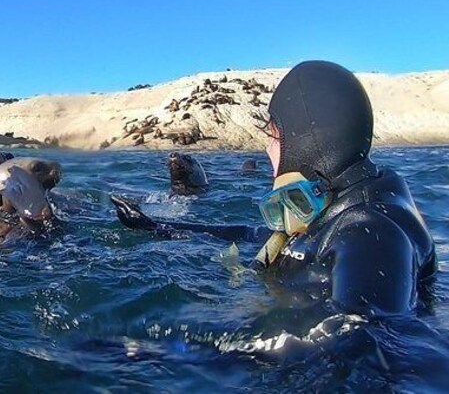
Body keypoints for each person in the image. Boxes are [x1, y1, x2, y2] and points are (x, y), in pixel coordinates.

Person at [114, 61, 436, 316]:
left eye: (273, 136)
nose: (267, 151)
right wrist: (156, 226)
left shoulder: (372, 234)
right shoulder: (332, 213)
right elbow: (244, 233)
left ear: (305, 139)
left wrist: (204, 360)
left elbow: (362, 352)